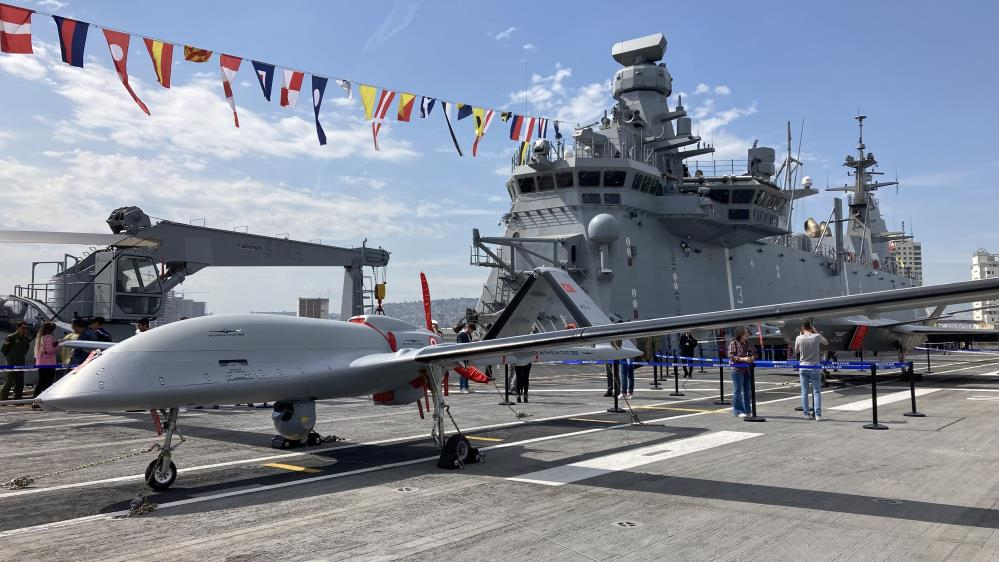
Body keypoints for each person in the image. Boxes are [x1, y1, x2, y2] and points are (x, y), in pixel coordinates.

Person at [794, 320, 829, 421]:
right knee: (816, 392)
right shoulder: (816, 336)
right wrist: (816, 332)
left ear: (803, 328)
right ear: (811, 328)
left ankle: (806, 414)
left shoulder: (799, 338)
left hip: (803, 366)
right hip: (814, 367)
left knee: (804, 392)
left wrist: (800, 336)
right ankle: (818, 415)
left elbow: (796, 350)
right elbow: (826, 342)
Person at [727, 327, 756, 418]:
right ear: (740, 334)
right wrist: (743, 359)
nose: (747, 334)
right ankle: (738, 411)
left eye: (747, 332)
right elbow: (731, 356)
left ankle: (747, 410)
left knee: (747, 392)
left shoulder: (748, 343)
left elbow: (754, 353)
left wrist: (752, 357)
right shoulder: (733, 343)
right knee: (738, 391)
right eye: (746, 332)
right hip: (737, 370)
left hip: (748, 370)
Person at [1, 321, 31, 401]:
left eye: (26, 328)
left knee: (20, 381)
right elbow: (3, 350)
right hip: (11, 363)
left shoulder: (26, 339)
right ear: (17, 328)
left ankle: (18, 397)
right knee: (9, 381)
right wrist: (10, 358)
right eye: (23, 328)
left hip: (21, 362)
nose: (25, 330)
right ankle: (3, 397)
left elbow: (26, 349)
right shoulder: (11, 337)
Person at [32, 322, 59, 402]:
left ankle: (35, 398)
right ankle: (46, 399)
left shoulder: (40, 337)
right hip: (49, 363)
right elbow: (49, 350)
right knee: (48, 382)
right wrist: (58, 346)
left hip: (41, 362)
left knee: (41, 381)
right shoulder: (49, 337)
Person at [456, 322, 476, 393]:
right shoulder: (462, 334)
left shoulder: (467, 334)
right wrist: (471, 343)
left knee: (466, 371)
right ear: (469, 328)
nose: (472, 332)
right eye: (472, 330)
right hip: (462, 355)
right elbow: (461, 345)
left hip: (466, 355)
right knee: (463, 372)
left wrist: (472, 342)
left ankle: (466, 387)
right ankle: (462, 388)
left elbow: (468, 342)